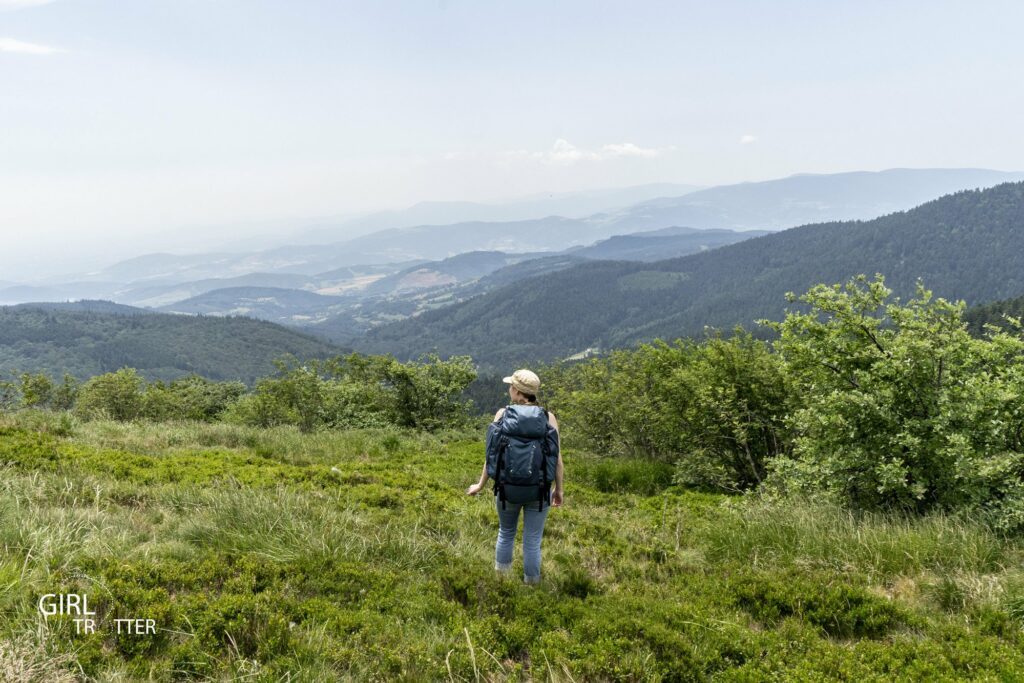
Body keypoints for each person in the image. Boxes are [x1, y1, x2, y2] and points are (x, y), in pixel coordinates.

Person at [466, 369, 564, 585]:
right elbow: (556, 459)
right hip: (538, 491)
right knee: (532, 541)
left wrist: (480, 485)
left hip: (506, 489)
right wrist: (559, 490)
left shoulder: (502, 415)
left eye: (511, 386)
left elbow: (492, 456)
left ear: (518, 391)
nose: (509, 389)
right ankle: (531, 587)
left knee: (506, 532)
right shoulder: (549, 418)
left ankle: (502, 583)